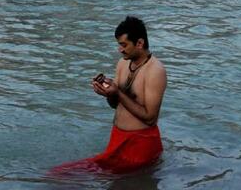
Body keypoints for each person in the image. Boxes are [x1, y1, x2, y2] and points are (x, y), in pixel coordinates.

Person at [50, 16, 167, 174]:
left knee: (61, 174)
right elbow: (114, 104)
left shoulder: (155, 71)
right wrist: (108, 93)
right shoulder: (122, 63)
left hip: (140, 145)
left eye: (124, 45)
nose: (120, 49)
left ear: (140, 43)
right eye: (119, 45)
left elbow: (150, 118)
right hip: (118, 140)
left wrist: (117, 92)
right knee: (63, 174)